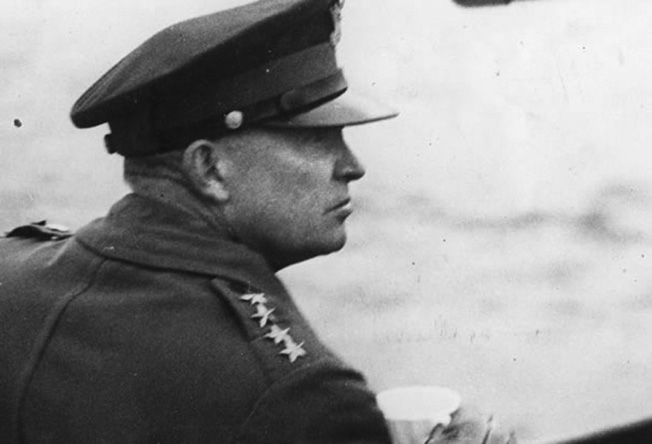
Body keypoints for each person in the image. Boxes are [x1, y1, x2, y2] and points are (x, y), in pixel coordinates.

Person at [0, 0, 515, 442]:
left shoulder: (12, 268)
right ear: (208, 168)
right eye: (318, 139)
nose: (352, 166)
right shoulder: (299, 397)